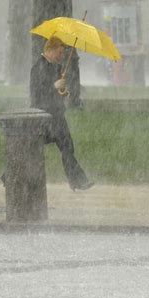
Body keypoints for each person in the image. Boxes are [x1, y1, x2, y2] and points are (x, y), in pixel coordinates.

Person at [30, 36, 94, 191]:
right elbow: (37, 95)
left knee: (67, 148)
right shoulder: (37, 68)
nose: (61, 57)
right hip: (43, 118)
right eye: (59, 53)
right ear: (50, 50)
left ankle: (77, 181)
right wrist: (54, 86)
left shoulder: (56, 68)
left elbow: (55, 92)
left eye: (62, 54)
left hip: (57, 116)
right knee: (30, 148)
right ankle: (10, 176)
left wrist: (63, 92)